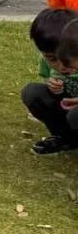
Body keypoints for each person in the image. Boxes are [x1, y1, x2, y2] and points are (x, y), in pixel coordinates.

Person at [22, 10, 78, 155]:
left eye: (66, 58)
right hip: (68, 103)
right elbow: (47, 78)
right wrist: (52, 87)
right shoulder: (46, 62)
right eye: (52, 59)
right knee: (32, 92)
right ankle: (66, 138)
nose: (61, 66)